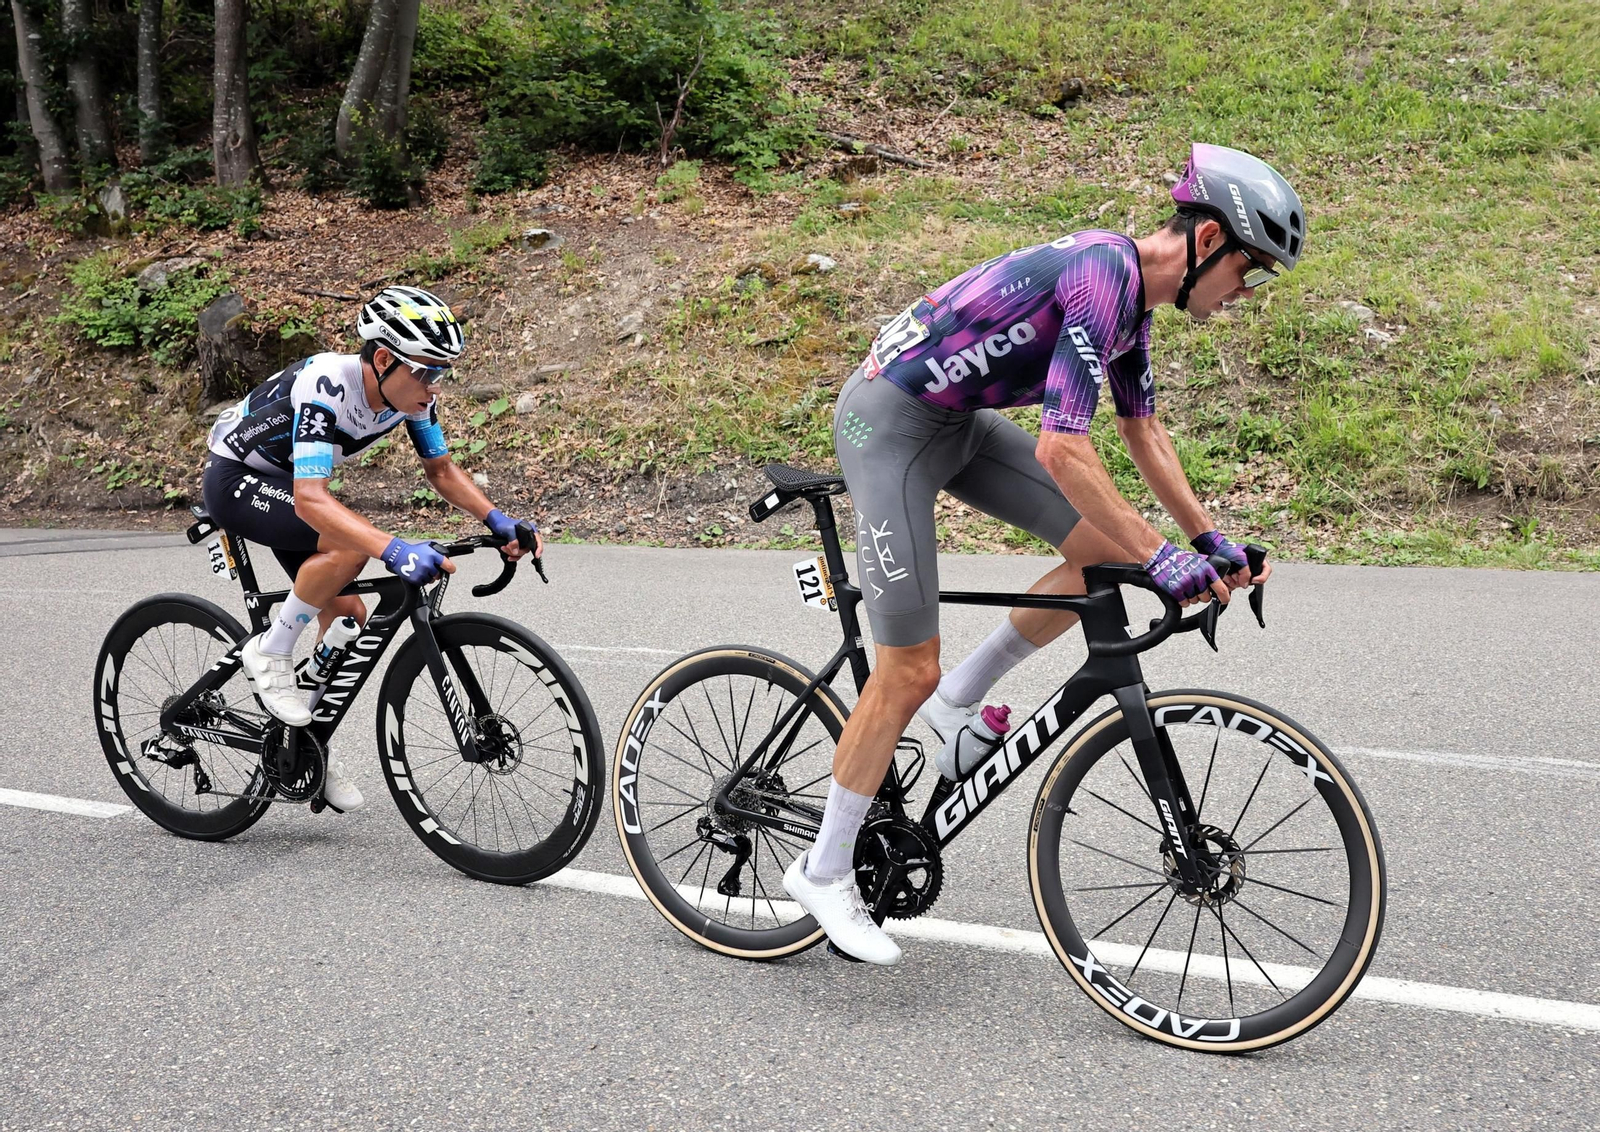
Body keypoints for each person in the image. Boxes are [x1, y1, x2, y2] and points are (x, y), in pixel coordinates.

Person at [783, 143, 1294, 964]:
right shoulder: (1103, 274)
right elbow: (1064, 450)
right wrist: (1162, 554)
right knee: (904, 668)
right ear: (1206, 244)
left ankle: (960, 700)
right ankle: (824, 868)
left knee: (1102, 551)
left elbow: (1143, 433)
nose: (1246, 293)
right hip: (889, 424)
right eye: (1250, 270)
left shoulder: (1132, 310)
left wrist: (1207, 541)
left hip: (956, 420)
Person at [201, 285, 541, 812]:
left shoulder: (409, 397)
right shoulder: (327, 384)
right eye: (427, 372)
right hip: (237, 478)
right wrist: (394, 550)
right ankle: (269, 652)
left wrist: (496, 519)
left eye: (442, 374)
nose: (434, 387)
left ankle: (304, 742)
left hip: (287, 487)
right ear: (384, 359)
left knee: (349, 617)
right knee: (353, 550)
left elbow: (441, 469)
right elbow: (312, 500)